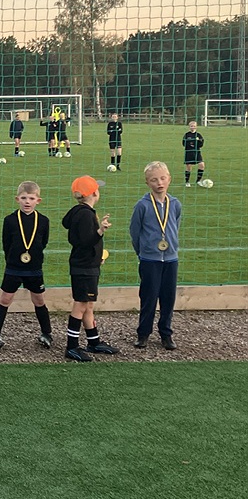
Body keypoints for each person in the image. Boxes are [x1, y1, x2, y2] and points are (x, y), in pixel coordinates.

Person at [61, 176, 119, 362]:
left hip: (87, 265)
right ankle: (72, 346)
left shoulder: (79, 212)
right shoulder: (86, 215)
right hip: (84, 268)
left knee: (88, 304)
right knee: (81, 304)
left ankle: (94, 341)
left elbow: (78, 238)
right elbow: (87, 241)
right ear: (94, 193)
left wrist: (97, 258)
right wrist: (100, 230)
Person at [0, 181, 53, 350]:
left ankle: (46, 333)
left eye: (31, 198)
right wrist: (12, 259)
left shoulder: (43, 221)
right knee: (5, 299)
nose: (27, 202)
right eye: (24, 198)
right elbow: (6, 243)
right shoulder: (10, 220)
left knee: (39, 299)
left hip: (34, 268)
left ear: (38, 200)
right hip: (14, 267)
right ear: (17, 199)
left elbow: (43, 242)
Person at [130, 162, 181, 350]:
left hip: (170, 259)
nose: (159, 183)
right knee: (149, 297)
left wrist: (171, 247)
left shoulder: (175, 204)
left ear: (169, 179)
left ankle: (166, 333)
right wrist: (143, 252)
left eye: (162, 178)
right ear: (147, 182)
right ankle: (143, 333)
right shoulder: (142, 206)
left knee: (168, 297)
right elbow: (135, 232)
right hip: (149, 259)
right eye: (154, 180)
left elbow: (175, 225)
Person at [182, 121, 206, 187]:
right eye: (191, 126)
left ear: (196, 127)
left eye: (194, 126)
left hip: (197, 152)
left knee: (202, 165)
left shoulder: (198, 135)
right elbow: (184, 143)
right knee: (189, 167)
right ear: (189, 127)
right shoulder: (187, 135)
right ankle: (187, 182)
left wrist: (199, 141)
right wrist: (190, 144)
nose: (193, 127)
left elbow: (201, 144)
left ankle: (198, 181)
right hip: (189, 152)